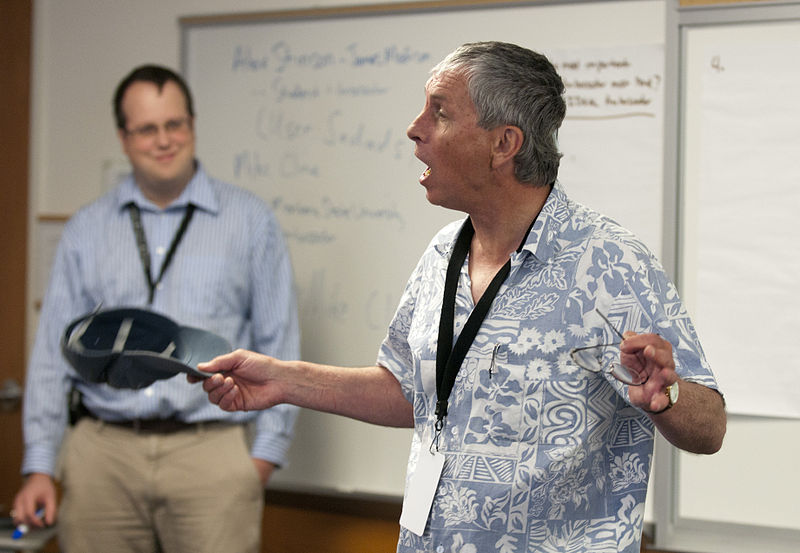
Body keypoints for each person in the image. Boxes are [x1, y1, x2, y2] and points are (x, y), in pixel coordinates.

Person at [197, 42, 726, 553]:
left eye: (440, 112)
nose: (415, 129)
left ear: (504, 144)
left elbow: (710, 429)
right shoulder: (442, 253)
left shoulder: (609, 262)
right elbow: (410, 391)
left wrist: (667, 396)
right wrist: (281, 380)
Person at [12, 65, 300, 553]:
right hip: (103, 454)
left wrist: (264, 458)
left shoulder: (250, 221)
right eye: (147, 129)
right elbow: (50, 353)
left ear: (191, 125)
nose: (164, 140)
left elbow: (281, 343)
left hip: (210, 454)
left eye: (175, 124)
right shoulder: (87, 229)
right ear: (124, 139)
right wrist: (40, 463)